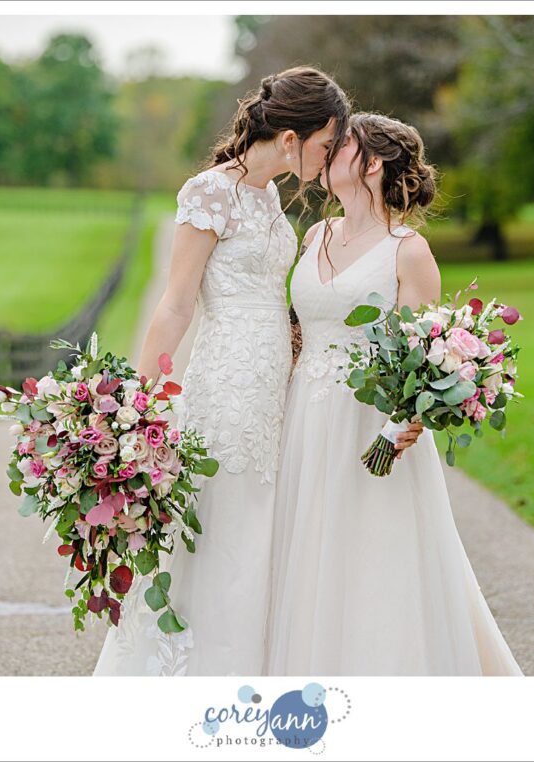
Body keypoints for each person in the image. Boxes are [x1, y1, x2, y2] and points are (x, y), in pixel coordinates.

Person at [94, 67, 368, 676]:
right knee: (225, 526)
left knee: (260, 534)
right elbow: (175, 303)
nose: (328, 160)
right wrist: (136, 405)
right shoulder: (208, 192)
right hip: (228, 384)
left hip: (276, 386)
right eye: (327, 144)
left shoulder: (269, 196)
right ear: (297, 135)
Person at [265, 113, 524, 675]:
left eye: (342, 146)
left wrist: (405, 423)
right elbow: (297, 330)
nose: (327, 153)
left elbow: (422, 355)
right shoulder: (315, 235)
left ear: (373, 163)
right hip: (303, 424)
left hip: (369, 427)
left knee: (373, 566)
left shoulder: (408, 250)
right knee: (308, 559)